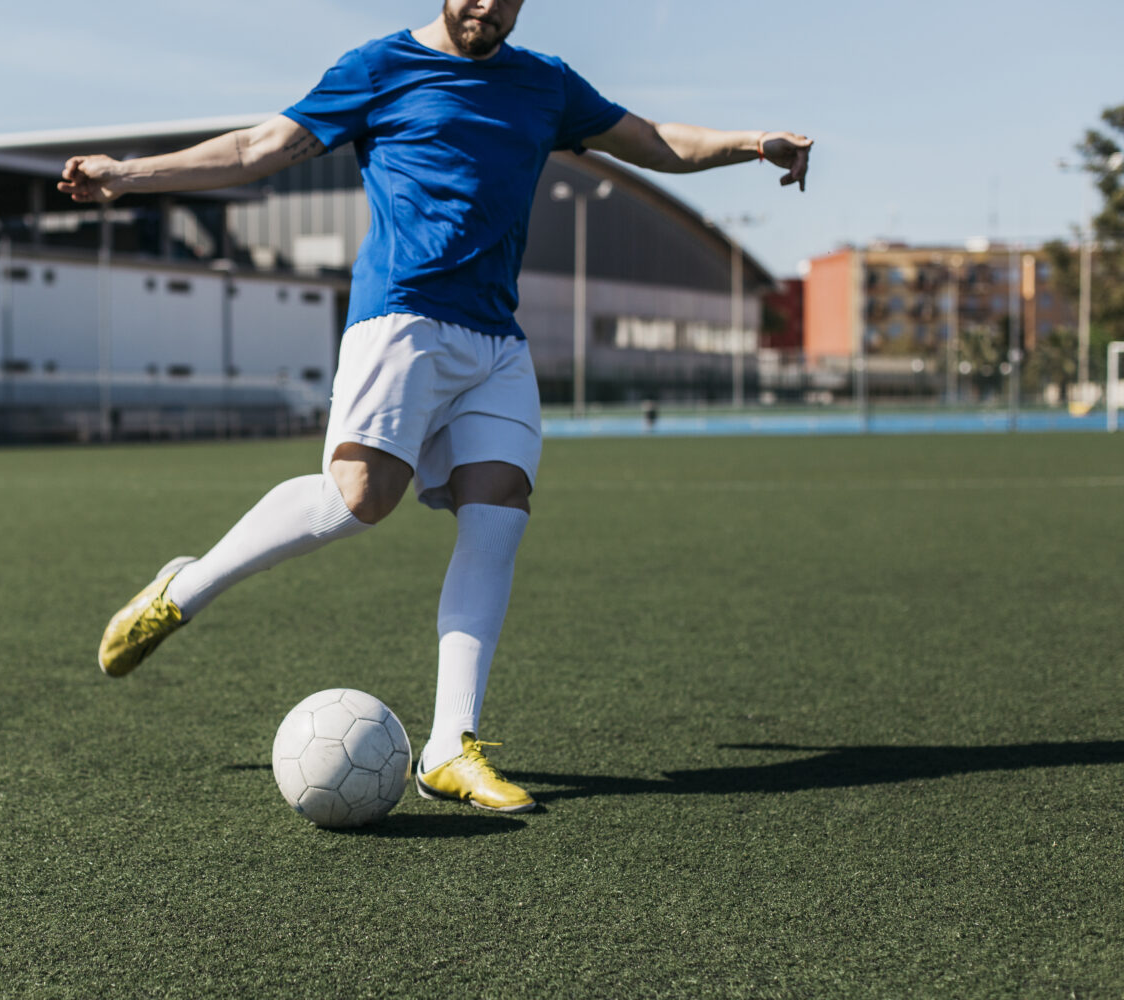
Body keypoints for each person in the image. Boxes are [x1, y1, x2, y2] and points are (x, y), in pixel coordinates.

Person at [60, 0, 811, 814]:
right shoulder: (379, 67)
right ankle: (185, 589)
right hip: (402, 317)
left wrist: (749, 144)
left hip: (496, 337)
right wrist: (126, 174)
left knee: (500, 509)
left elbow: (655, 142)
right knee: (358, 503)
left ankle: (451, 745)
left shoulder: (546, 85)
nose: (486, 4)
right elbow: (257, 147)